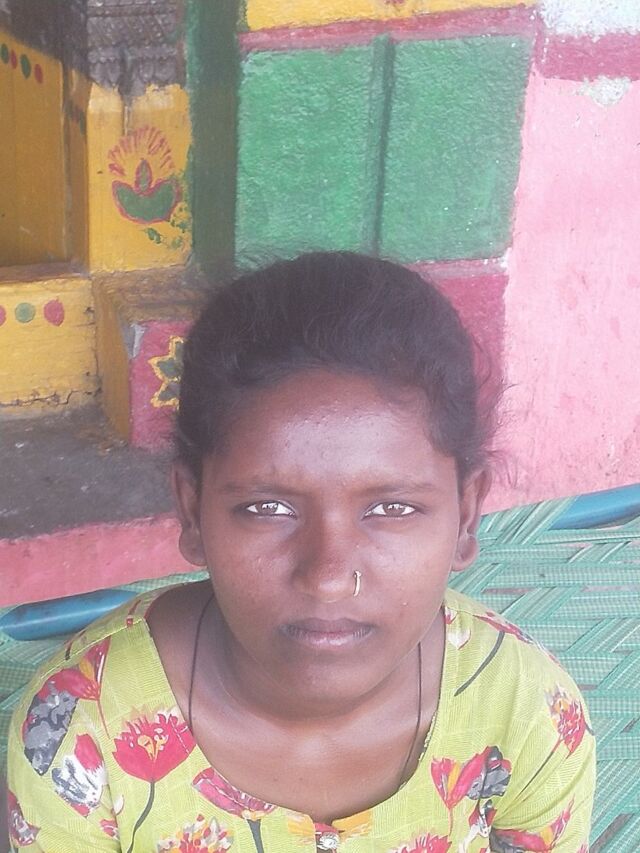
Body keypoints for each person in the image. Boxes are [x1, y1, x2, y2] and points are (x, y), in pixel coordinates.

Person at [6, 253, 594, 852]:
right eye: (268, 508)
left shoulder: (525, 711)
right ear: (192, 509)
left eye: (392, 508)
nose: (329, 577)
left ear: (466, 514)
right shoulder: (83, 727)